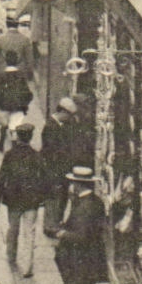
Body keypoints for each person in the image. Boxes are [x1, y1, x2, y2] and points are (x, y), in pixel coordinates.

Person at [54, 167, 107, 284]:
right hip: (92, 260)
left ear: (77, 185)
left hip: (80, 260)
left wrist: (63, 234)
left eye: (73, 183)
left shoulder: (84, 206)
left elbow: (82, 236)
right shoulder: (96, 202)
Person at [0, 121, 46, 278]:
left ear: (18, 137)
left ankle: (11, 257)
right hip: (31, 201)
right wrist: (42, 198)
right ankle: (28, 267)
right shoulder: (36, 156)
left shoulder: (10, 156)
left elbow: (1, 177)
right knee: (29, 233)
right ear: (30, 138)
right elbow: (44, 178)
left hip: (14, 200)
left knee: (13, 230)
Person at [41, 98, 92, 238]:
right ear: (62, 112)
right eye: (69, 115)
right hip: (54, 171)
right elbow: (53, 151)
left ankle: (55, 223)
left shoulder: (61, 124)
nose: (70, 118)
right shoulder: (51, 126)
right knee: (54, 198)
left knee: (60, 198)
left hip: (61, 171)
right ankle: (50, 226)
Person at [0, 64, 34, 152]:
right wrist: (25, 103)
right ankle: (15, 148)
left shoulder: (2, 75)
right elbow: (27, 92)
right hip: (18, 107)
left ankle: (1, 144)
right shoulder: (21, 75)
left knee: (4, 125)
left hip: (4, 106)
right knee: (14, 127)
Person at [0, 14, 37, 84]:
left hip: (3, 74)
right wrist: (30, 76)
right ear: (17, 25)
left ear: (7, 25)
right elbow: (29, 60)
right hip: (20, 74)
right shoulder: (25, 40)